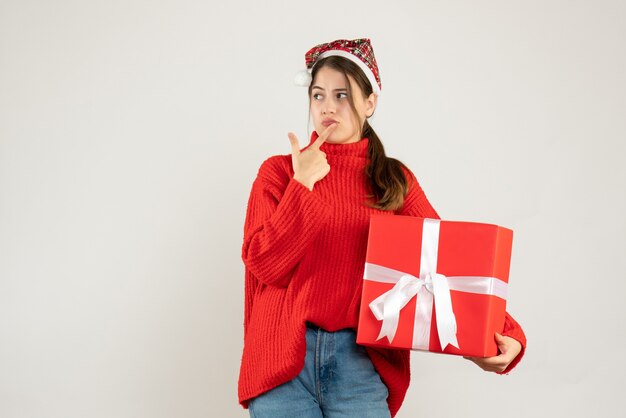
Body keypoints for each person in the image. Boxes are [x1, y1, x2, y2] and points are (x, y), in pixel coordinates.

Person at [238, 38, 527, 418]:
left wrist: (506, 334)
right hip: (283, 361)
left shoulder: (393, 181)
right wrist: (302, 186)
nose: (327, 107)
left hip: (359, 364)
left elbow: (446, 265)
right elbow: (265, 265)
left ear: (370, 102)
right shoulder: (278, 173)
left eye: (342, 95)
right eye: (318, 95)